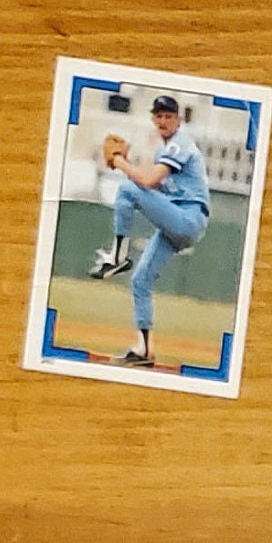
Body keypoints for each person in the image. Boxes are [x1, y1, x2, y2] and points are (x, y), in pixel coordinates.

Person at [88, 91, 212, 372]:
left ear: (178, 120)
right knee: (140, 280)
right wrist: (126, 160)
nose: (164, 121)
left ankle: (118, 256)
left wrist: (118, 162)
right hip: (177, 221)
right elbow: (152, 184)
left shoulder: (180, 145)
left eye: (169, 116)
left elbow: (144, 181)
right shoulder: (165, 149)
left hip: (187, 218)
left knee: (127, 189)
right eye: (159, 116)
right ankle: (143, 350)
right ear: (153, 118)